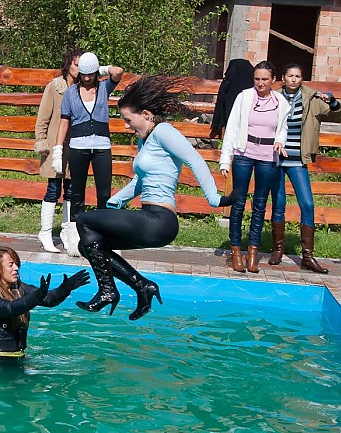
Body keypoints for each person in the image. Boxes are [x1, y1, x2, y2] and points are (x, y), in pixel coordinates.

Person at [74, 75, 238, 320]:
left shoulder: (163, 131)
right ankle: (143, 286)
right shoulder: (146, 140)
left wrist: (213, 198)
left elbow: (194, 159)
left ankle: (108, 291)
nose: (126, 126)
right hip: (148, 216)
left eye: (128, 120)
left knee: (84, 221)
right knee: (89, 245)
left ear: (146, 114)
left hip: (160, 221)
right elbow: (140, 181)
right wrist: (117, 200)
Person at [269, 63, 341, 273]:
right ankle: (278, 250)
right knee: (279, 204)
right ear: (283, 77)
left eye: (297, 76)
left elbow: (337, 114)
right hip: (276, 160)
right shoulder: (274, 97)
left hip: (298, 161)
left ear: (302, 79)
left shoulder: (312, 98)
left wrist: (333, 101)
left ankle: (307, 257)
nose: (293, 79)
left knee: (307, 204)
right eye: (290, 75)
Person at [220, 61, 291, 274]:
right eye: (257, 79)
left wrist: (280, 141)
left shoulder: (280, 102)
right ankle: (235, 251)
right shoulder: (244, 97)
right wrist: (225, 159)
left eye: (265, 79)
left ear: (273, 80)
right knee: (238, 203)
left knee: (260, 205)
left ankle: (252, 252)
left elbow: (283, 128)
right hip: (244, 154)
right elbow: (232, 128)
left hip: (267, 156)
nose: (260, 83)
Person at [53, 52, 124, 257]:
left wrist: (101, 70)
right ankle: (76, 238)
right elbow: (64, 122)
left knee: (104, 193)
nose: (86, 78)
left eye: (90, 74)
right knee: (77, 194)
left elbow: (118, 72)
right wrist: (58, 150)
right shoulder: (70, 93)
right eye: (83, 74)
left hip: (102, 146)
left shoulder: (104, 87)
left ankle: (105, 237)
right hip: (78, 147)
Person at [0, 246, 90, 357]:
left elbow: (48, 299)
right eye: (11, 265)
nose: (16, 268)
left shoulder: (19, 287)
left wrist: (64, 289)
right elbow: (8, 309)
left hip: (19, 355)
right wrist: (37, 296)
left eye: (16, 264)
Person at [34, 48, 83, 254]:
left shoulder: (83, 89)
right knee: (53, 189)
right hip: (55, 146)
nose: (79, 68)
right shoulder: (55, 87)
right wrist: (41, 141)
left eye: (82, 64)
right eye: (76, 64)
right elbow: (43, 117)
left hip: (75, 147)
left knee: (71, 191)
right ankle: (45, 232)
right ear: (68, 64)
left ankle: (67, 232)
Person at [209, 59, 254, 139]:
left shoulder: (229, 82)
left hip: (231, 125)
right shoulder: (253, 87)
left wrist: (218, 123)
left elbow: (220, 102)